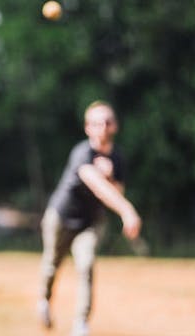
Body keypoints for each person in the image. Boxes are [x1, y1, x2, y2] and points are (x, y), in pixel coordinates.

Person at [37, 101, 142, 336]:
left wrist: (111, 176)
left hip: (90, 223)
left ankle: (80, 325)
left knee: (86, 266)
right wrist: (127, 211)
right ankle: (44, 301)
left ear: (114, 126)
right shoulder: (82, 153)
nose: (102, 127)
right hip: (61, 217)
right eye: (96, 123)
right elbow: (96, 186)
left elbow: (117, 191)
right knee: (52, 264)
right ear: (87, 128)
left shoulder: (118, 158)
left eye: (107, 122)